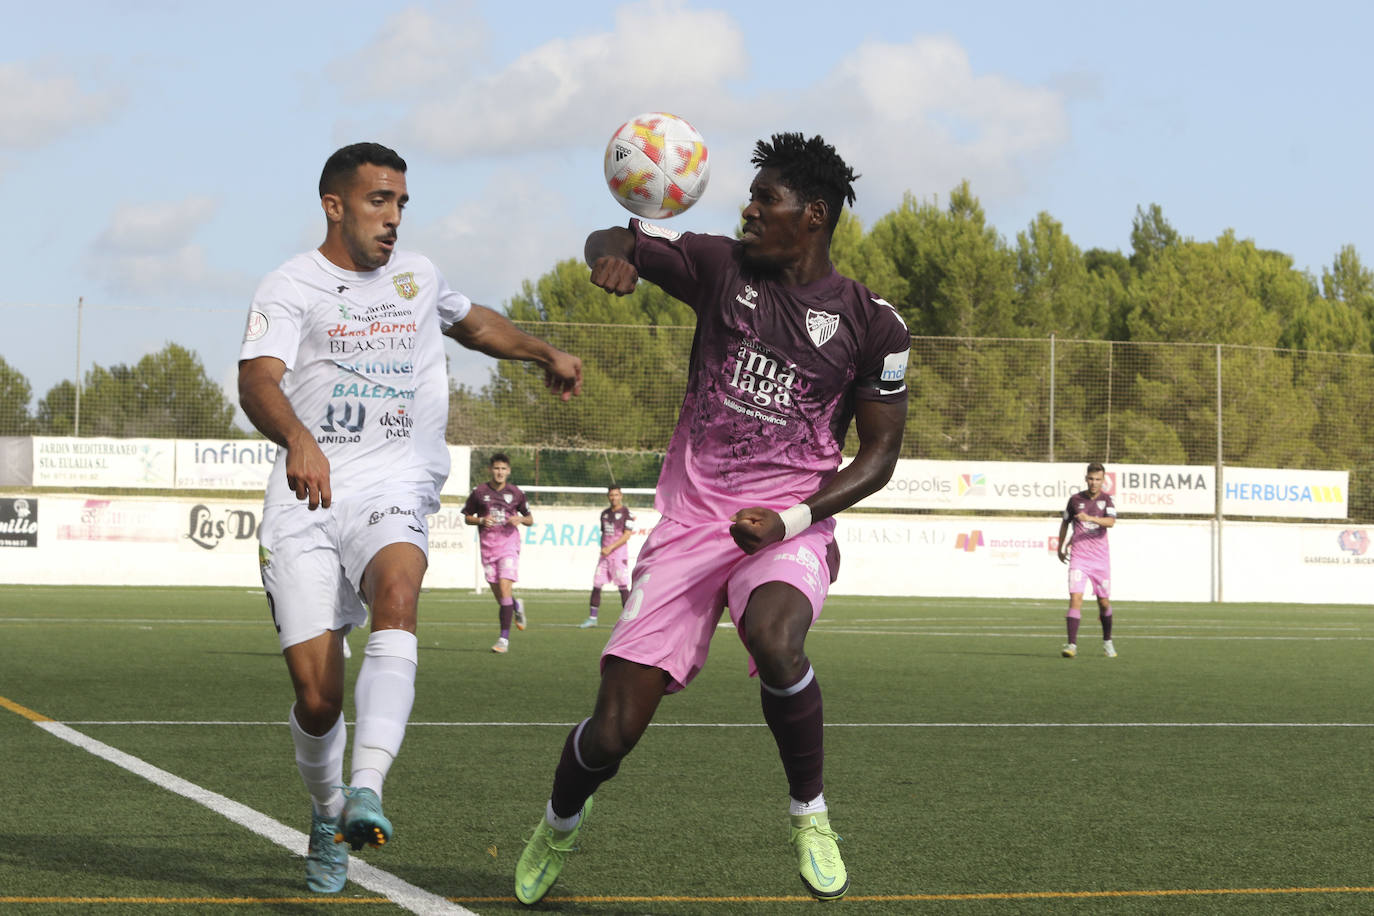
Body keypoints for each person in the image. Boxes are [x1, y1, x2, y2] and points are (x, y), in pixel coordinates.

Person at [513, 133, 910, 904]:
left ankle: (810, 813)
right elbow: (614, 235)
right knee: (613, 732)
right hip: (691, 526)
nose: (749, 209)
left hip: (788, 525)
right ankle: (559, 822)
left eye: (767, 199)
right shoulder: (718, 267)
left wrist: (792, 521)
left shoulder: (874, 324)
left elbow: (878, 458)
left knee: (774, 634)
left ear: (815, 215)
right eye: (752, 197)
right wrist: (615, 255)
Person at [237, 141, 581, 894]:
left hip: (394, 487)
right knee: (318, 697)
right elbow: (257, 379)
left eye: (400, 202)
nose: (392, 217)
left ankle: (369, 787)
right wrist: (298, 436)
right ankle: (329, 812)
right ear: (334, 205)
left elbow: (475, 324)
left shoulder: (418, 278)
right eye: (376, 201)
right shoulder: (291, 284)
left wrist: (542, 351)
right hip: (308, 497)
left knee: (400, 593)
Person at [462, 453, 533, 653]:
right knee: (501, 596)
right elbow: (467, 517)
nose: (500, 472)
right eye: (496, 468)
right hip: (488, 547)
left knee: (504, 587)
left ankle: (503, 639)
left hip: (509, 545)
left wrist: (520, 519)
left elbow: (530, 518)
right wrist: (481, 520)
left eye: (503, 469)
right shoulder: (479, 492)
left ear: (508, 471)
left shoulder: (516, 493)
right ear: (490, 470)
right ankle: (517, 607)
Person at [1056, 462, 1118, 658]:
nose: (1094, 483)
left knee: (1104, 603)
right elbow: (1065, 522)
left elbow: (1111, 522)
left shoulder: (1107, 500)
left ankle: (1107, 641)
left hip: (1100, 559)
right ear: (1086, 479)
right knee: (1075, 598)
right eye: (1091, 479)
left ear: (1103, 480)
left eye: (1098, 479)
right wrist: (1061, 545)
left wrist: (1090, 518)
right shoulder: (1075, 500)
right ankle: (1071, 645)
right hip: (1079, 558)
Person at [579, 485, 636, 628]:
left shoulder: (626, 514)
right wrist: (603, 548)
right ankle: (592, 618)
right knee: (597, 584)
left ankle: (629, 621)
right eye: (611, 495)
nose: (614, 498)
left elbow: (627, 535)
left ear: (621, 496)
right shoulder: (604, 514)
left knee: (623, 586)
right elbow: (604, 534)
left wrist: (610, 548)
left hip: (618, 555)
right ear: (608, 497)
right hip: (604, 556)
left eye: (616, 495)